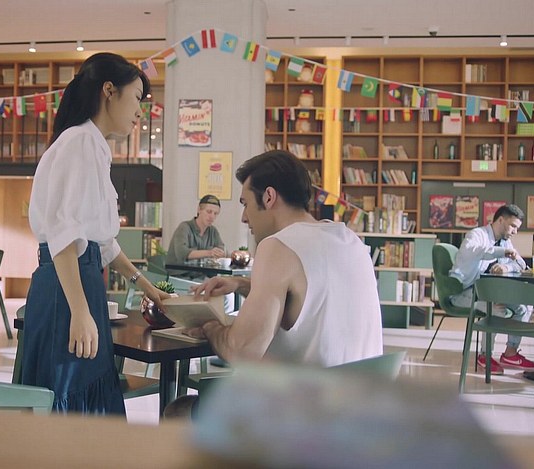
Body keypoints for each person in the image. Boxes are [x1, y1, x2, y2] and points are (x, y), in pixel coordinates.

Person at [23, 53, 169, 415]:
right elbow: (63, 235)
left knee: (78, 398)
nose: (140, 112)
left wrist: (147, 287)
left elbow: (101, 242)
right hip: (68, 289)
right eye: (137, 98)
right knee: (69, 399)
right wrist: (80, 311)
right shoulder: (80, 142)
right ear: (109, 91)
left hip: (78, 283)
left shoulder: (92, 146)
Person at [187, 150, 383, 367]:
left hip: (307, 389)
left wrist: (209, 326)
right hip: (366, 387)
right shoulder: (351, 240)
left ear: (269, 197)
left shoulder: (278, 246)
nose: (244, 217)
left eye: (245, 204)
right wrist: (241, 284)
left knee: (190, 392)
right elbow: (309, 298)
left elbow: (241, 352)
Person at [448, 204, 534, 375]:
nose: (515, 232)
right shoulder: (476, 235)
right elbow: (475, 251)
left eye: (517, 228)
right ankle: (484, 355)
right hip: (463, 292)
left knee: (525, 307)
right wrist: (502, 252)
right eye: (513, 226)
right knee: (496, 309)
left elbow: (521, 264)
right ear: (501, 220)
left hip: (487, 292)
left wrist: (506, 267)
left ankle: (510, 353)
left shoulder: (505, 241)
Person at [165, 194, 226, 278]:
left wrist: (220, 254)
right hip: (180, 276)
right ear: (199, 210)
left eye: (215, 213)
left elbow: (221, 249)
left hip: (201, 277)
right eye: (209, 212)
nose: (212, 216)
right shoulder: (184, 227)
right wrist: (209, 253)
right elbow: (182, 253)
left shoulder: (213, 231)